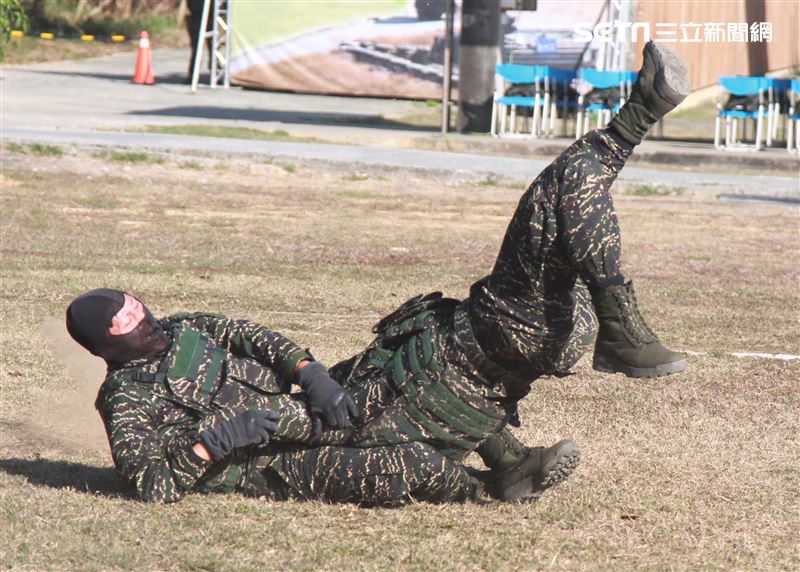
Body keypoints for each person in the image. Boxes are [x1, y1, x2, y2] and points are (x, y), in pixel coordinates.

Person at [67, 41, 689, 505]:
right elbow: (149, 482)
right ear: (106, 343)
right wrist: (223, 437)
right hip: (269, 456)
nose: (138, 312)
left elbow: (255, 337)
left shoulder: (181, 329)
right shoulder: (126, 397)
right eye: (123, 318)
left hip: (306, 410)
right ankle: (488, 483)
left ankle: (516, 440)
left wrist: (311, 375)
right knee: (402, 463)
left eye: (133, 302)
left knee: (419, 347)